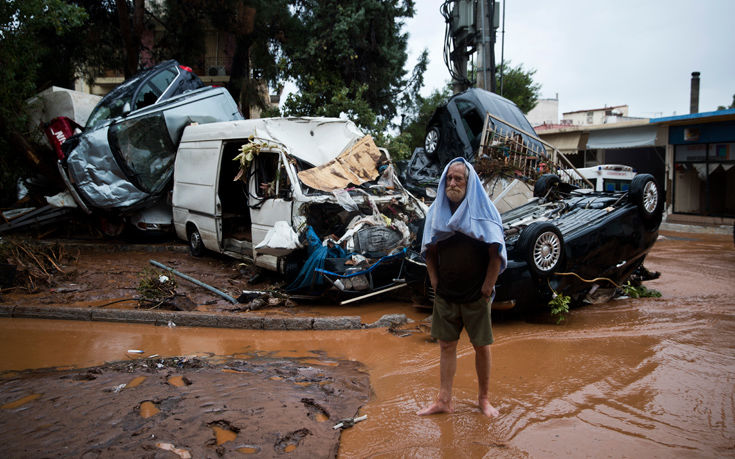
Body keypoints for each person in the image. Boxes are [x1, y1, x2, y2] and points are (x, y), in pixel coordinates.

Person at [418, 157, 507, 418]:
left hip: (475, 294)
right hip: (446, 293)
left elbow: (496, 252)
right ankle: (444, 400)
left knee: (482, 346)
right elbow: (430, 250)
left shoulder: (484, 210)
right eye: (449, 178)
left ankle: (484, 400)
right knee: (446, 346)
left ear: (469, 183)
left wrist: (488, 287)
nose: (453, 183)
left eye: (459, 179)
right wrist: (434, 280)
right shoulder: (437, 211)